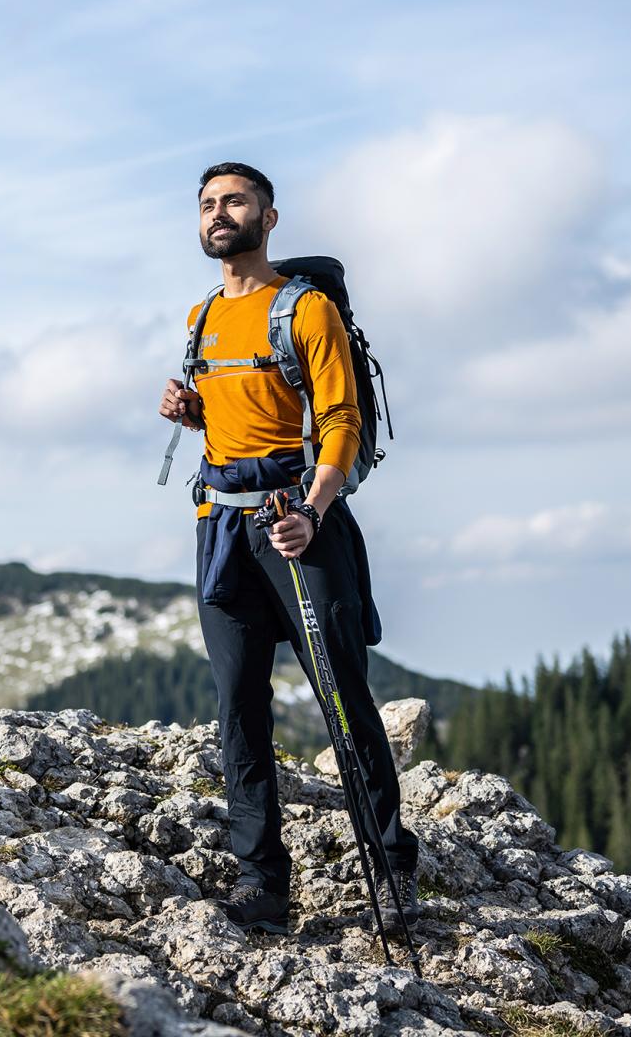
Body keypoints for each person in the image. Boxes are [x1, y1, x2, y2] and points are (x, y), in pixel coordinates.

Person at [157, 161, 418, 934]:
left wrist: (311, 509)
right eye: (206, 204)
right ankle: (260, 882)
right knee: (239, 712)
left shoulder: (304, 311)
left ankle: (392, 869)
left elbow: (339, 421)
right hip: (222, 528)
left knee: (342, 699)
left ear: (269, 219)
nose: (218, 214)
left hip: (298, 522)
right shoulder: (199, 319)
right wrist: (194, 411)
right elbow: (242, 419)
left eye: (234, 201)